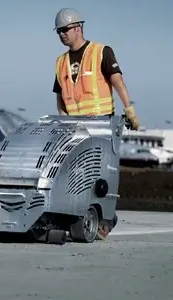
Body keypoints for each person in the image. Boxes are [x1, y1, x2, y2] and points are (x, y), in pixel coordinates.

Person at [52, 8, 140, 240]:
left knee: (103, 175)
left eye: (65, 29)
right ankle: (79, 216)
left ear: (78, 28)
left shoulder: (101, 52)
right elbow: (60, 96)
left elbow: (117, 81)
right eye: (58, 31)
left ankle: (107, 218)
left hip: (102, 125)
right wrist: (63, 122)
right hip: (75, 128)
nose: (62, 34)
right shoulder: (60, 62)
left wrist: (128, 108)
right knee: (77, 174)